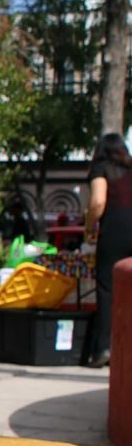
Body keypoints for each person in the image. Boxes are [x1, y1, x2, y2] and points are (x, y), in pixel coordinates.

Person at [84, 132, 132, 368]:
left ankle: (103, 347)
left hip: (114, 231)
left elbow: (97, 202)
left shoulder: (101, 168)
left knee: (107, 290)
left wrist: (88, 226)